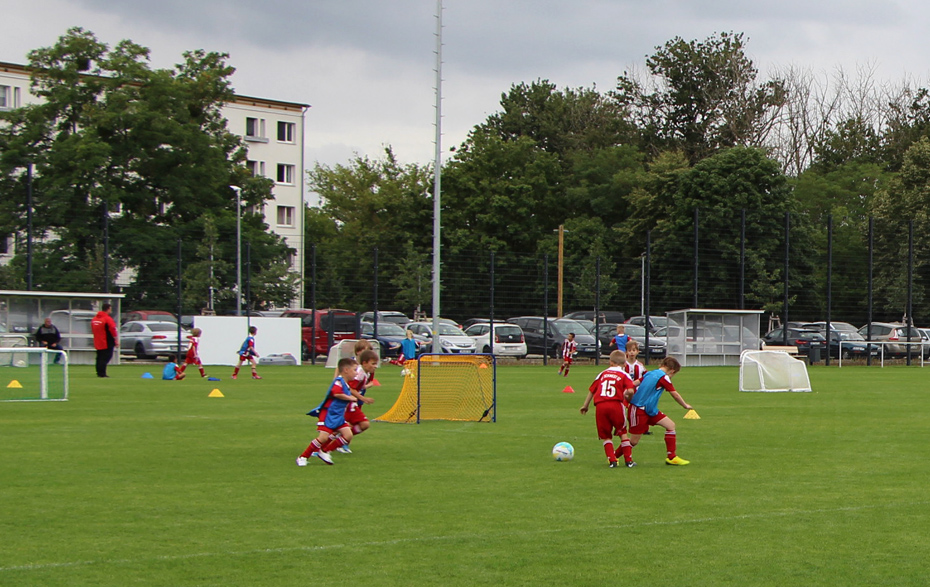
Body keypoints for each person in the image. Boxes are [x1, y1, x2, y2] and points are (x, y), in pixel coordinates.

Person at [626, 356, 694, 466]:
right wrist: (685, 405)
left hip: (650, 410)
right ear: (672, 371)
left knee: (670, 425)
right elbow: (675, 395)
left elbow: (634, 383)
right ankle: (614, 456)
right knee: (634, 441)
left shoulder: (650, 373)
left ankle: (671, 457)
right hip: (639, 410)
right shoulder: (664, 377)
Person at [580, 350, 637, 468]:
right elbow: (631, 391)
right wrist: (628, 398)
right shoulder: (624, 375)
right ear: (625, 364)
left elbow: (592, 390)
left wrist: (585, 405)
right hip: (616, 405)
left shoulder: (602, 374)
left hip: (600, 406)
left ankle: (612, 460)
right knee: (623, 432)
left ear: (610, 362)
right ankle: (628, 461)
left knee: (606, 435)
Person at [297, 357, 358, 466]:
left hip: (338, 415)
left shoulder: (345, 383)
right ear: (346, 370)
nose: (356, 373)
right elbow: (336, 393)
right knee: (323, 438)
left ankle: (324, 451)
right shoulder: (339, 381)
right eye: (354, 370)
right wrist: (350, 398)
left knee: (348, 435)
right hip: (328, 414)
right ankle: (303, 457)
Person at [336, 347, 379, 453]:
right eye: (373, 364)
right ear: (364, 363)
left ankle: (340, 441)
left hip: (353, 403)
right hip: (347, 403)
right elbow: (349, 388)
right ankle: (321, 448)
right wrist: (362, 398)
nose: (375, 366)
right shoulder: (359, 373)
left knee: (363, 424)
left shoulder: (366, 373)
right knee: (338, 427)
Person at [91, 303, 118, 378]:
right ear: (108, 309)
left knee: (99, 357)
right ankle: (102, 373)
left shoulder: (95, 319)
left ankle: (99, 372)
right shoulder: (107, 319)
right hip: (107, 341)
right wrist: (115, 339)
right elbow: (112, 328)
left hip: (98, 340)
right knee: (106, 357)